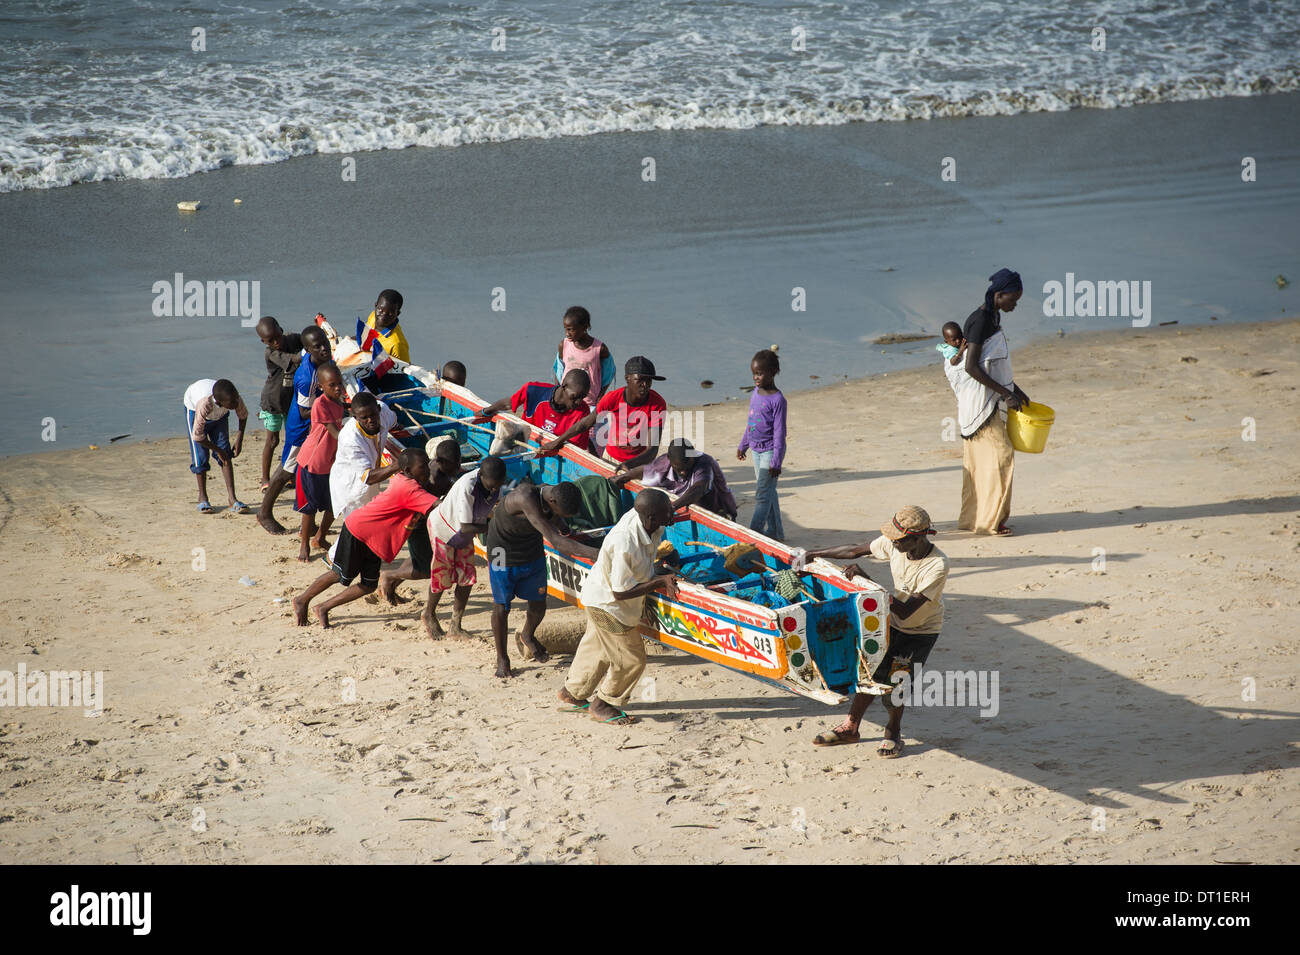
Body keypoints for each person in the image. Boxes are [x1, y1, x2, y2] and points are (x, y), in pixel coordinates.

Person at [805, 506, 949, 757]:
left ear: (917, 538)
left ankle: (893, 732)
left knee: (897, 683)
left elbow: (906, 612)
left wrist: (870, 581)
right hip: (889, 621)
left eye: (898, 539)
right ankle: (851, 727)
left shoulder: (937, 565)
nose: (892, 543)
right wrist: (812, 554)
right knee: (868, 670)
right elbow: (854, 550)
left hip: (920, 630)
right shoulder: (896, 543)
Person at [556, 489, 680, 726]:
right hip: (609, 605)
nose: (672, 513)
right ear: (652, 517)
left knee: (597, 648)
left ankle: (572, 692)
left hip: (598, 594)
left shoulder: (650, 523)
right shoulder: (626, 542)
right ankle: (603, 703)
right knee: (631, 660)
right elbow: (620, 592)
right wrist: (658, 582)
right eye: (668, 511)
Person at [293, 449, 439, 629]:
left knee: (368, 585)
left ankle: (323, 607)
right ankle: (302, 599)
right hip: (359, 531)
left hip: (373, 538)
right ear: (408, 470)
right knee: (338, 574)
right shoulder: (409, 488)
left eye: (428, 465)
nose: (427, 470)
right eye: (423, 467)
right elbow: (438, 507)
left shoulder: (404, 479)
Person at [484, 480, 599, 678]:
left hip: (530, 548)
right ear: (552, 501)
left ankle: (527, 634)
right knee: (502, 606)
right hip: (501, 551)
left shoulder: (552, 496)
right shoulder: (525, 497)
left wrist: (564, 528)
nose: (560, 516)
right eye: (561, 513)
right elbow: (556, 542)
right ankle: (502, 658)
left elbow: (557, 527)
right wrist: (600, 553)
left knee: (538, 604)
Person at [958, 268, 1030, 536]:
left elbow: (992, 364)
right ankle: (992, 522)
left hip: (985, 398)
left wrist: (1016, 390)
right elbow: (972, 367)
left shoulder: (993, 315)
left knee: (980, 461)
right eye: (1013, 298)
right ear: (999, 295)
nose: (1015, 304)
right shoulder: (980, 321)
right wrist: (1005, 393)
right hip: (980, 404)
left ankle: (974, 519)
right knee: (1002, 456)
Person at [421, 456, 508, 639]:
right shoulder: (468, 486)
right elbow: (467, 525)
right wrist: (496, 527)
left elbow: (499, 505)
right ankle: (429, 613)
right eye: (491, 486)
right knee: (442, 576)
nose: (494, 489)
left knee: (467, 577)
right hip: (444, 530)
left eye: (498, 486)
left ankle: (455, 625)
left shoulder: (496, 485)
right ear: (481, 475)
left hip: (465, 534)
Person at [258, 325, 331, 534]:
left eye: (325, 343)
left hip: (316, 426)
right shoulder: (307, 378)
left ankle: (309, 522)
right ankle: (264, 512)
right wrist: (337, 408)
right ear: (308, 350)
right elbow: (305, 411)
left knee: (310, 472)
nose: (325, 349)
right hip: (302, 428)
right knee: (287, 469)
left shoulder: (326, 360)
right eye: (318, 347)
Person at [377, 439, 464, 604]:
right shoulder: (435, 478)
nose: (457, 468)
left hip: (427, 519)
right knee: (424, 570)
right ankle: (389, 575)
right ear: (439, 461)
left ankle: (391, 583)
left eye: (458, 463)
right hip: (417, 523)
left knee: (421, 558)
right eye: (453, 465)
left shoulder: (440, 469)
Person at [544, 356, 666, 471]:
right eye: (640, 380)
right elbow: (585, 424)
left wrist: (628, 465)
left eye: (649, 381)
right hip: (611, 458)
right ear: (627, 378)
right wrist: (558, 441)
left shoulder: (658, 404)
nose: (645, 385)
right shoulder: (613, 398)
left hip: (639, 462)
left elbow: (652, 450)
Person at [292, 362, 347, 562]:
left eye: (339, 383)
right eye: (332, 385)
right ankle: (304, 544)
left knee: (334, 505)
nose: (338, 388)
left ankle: (320, 537)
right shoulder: (320, 404)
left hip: (330, 464)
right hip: (313, 464)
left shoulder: (339, 402)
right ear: (321, 387)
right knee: (310, 508)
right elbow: (334, 432)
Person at [328, 391, 404, 529]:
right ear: (355, 417)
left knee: (367, 530)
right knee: (356, 531)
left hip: (372, 483)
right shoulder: (350, 439)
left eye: (373, 415)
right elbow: (367, 477)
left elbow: (394, 421)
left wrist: (403, 431)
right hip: (352, 487)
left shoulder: (384, 412)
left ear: (378, 410)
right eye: (364, 418)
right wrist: (399, 464)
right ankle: (334, 551)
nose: (370, 420)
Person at [612, 437, 737, 521]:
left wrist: (672, 507)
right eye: (679, 468)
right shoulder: (664, 461)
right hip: (689, 507)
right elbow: (646, 470)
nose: (683, 471)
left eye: (687, 466)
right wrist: (624, 476)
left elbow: (700, 488)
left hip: (720, 511)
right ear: (670, 461)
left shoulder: (705, 463)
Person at [473, 369, 592, 454]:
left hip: (552, 454)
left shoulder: (583, 411)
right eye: (575, 396)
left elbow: (576, 447)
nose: (578, 402)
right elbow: (509, 403)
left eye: (583, 397)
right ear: (564, 386)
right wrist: (486, 411)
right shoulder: (534, 390)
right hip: (522, 446)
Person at [737, 348, 787, 540]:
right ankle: (775, 531)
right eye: (754, 374)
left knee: (762, 496)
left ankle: (753, 535)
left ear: (773, 372)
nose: (756, 378)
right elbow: (752, 422)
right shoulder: (756, 393)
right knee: (768, 491)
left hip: (770, 452)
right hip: (756, 451)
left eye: (760, 373)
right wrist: (744, 444)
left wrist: (776, 461)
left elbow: (780, 432)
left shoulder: (778, 400)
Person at [183, 378, 250, 514]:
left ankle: (232, 498)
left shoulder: (234, 398)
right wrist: (217, 450)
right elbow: (198, 436)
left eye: (236, 399)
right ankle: (203, 497)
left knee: (226, 453)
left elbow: (243, 416)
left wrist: (239, 440)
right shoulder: (204, 404)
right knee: (200, 456)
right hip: (194, 410)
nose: (237, 403)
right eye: (232, 403)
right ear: (221, 402)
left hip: (220, 418)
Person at [255, 316, 302, 491]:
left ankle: (290, 475)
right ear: (263, 341)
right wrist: (307, 352)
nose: (275, 342)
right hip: (273, 402)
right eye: (270, 341)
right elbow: (296, 359)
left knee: (294, 439)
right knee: (272, 440)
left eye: (277, 337)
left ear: (281, 330)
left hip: (290, 401)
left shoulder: (293, 339)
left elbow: (305, 337)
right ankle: (265, 479)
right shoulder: (271, 353)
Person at [553, 306, 615, 414]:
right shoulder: (564, 345)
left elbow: (609, 373)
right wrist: (557, 393)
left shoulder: (599, 349)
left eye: (571, 329)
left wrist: (600, 396)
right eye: (565, 329)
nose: (567, 334)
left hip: (589, 401)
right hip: (566, 399)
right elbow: (558, 369)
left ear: (584, 327)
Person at [364, 289, 410, 364]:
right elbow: (364, 336)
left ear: (397, 313)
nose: (383, 316)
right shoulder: (373, 317)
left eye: (390, 313)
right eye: (380, 310)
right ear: (375, 306)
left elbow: (403, 370)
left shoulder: (397, 344)